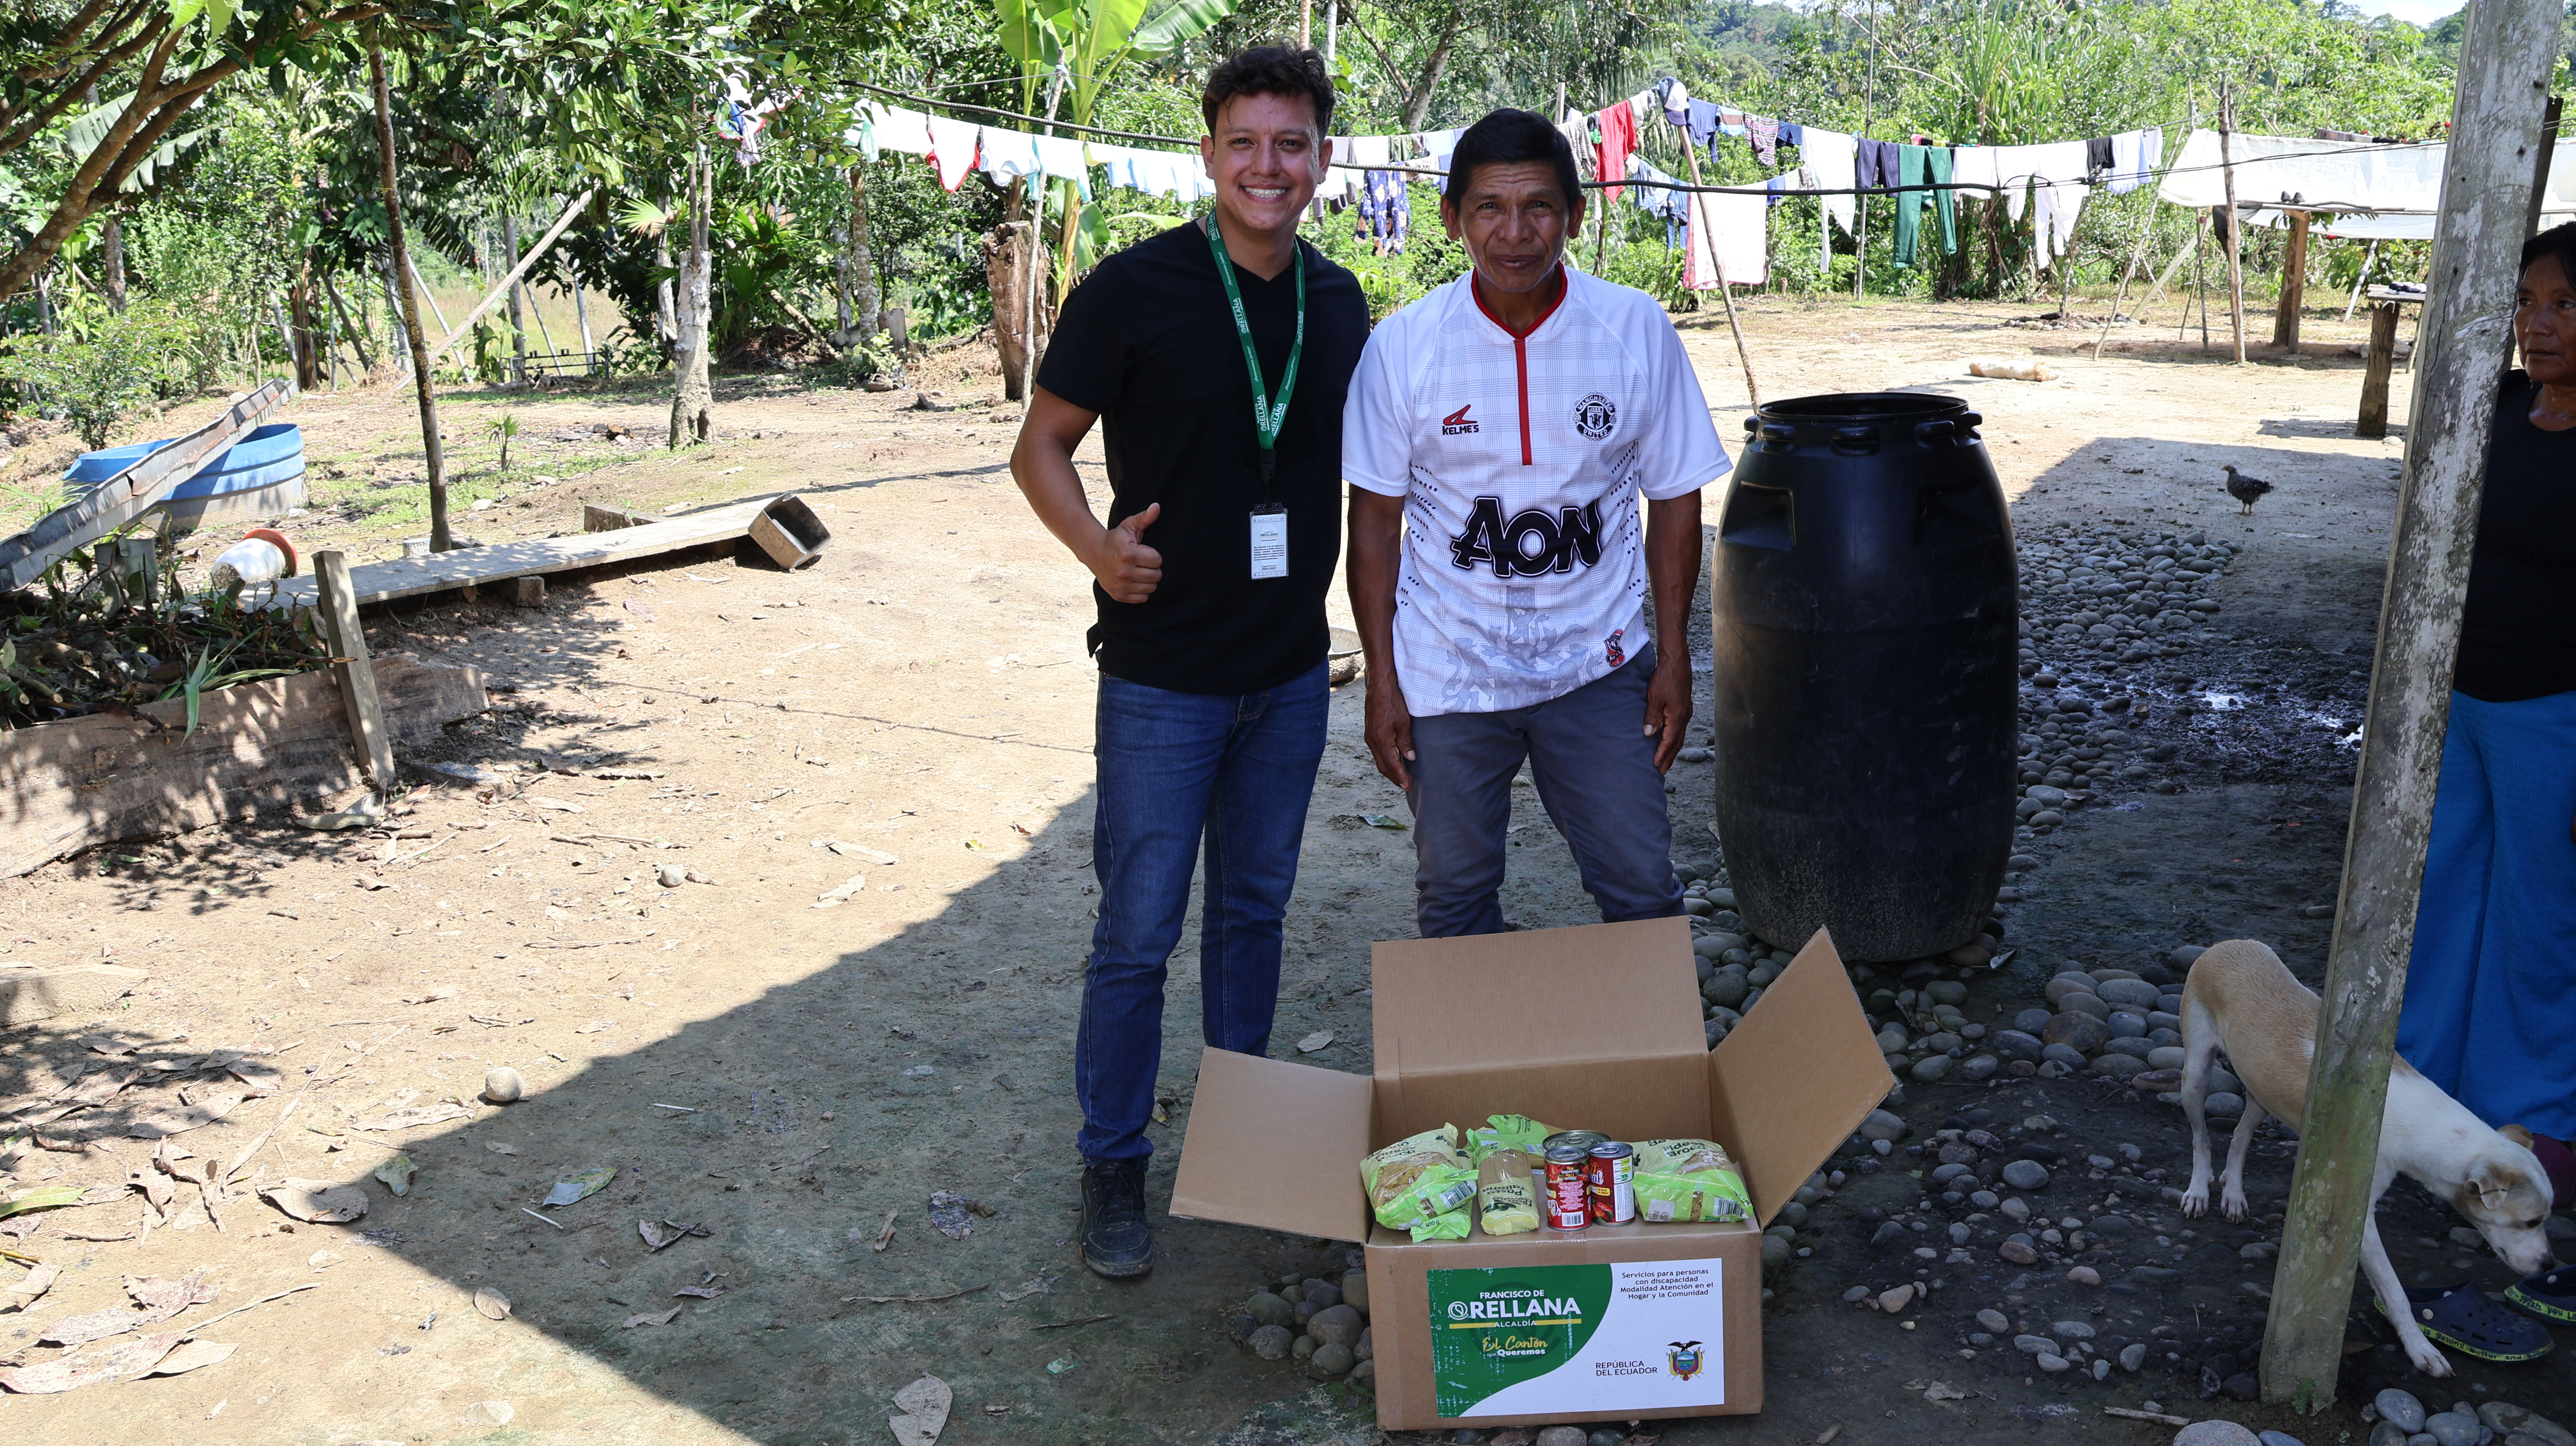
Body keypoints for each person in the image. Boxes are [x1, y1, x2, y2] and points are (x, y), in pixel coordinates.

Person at [1008, 46, 1367, 1280]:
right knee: (1139, 930)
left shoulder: (1342, 301)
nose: (1269, 167)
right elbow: (1040, 447)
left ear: (1324, 157)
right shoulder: (1133, 290)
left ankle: (1246, 1139)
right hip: (1160, 677)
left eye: (1293, 144)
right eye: (1245, 143)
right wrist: (1100, 552)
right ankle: (1112, 1161)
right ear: (1210, 152)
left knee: (1256, 915)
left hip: (1286, 676)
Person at [1342, 107, 1729, 939]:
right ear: (1452, 219)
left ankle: (1652, 1070)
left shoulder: (1635, 331)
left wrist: (1674, 657)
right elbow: (1372, 525)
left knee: (1641, 891)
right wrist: (1382, 680)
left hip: (1599, 661)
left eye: (1539, 208)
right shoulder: (1404, 348)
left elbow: (1675, 500)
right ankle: (1476, 1069)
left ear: (1577, 216)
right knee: (1454, 898)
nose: (1515, 234)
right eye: (1489, 208)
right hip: (1449, 670)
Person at [2396, 221, 2576, 1322]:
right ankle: (2426, 1110)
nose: (2538, 323)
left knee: (2536, 926)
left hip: (2558, 717)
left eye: (2563, 304)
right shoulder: (2506, 408)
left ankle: (2534, 1131)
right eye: (2528, 303)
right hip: (2459, 705)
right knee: (2444, 896)